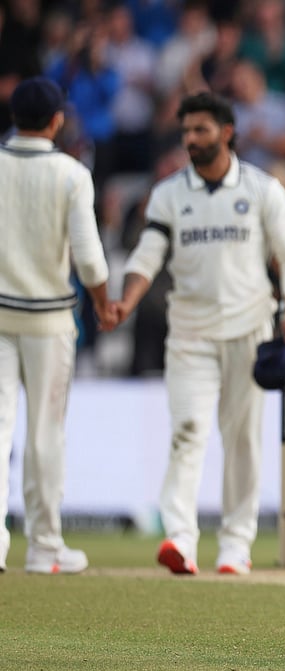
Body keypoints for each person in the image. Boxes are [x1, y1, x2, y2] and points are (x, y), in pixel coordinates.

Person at [116, 92, 285, 576]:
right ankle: (179, 538)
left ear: (226, 132)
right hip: (190, 332)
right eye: (185, 131)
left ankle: (235, 544)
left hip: (249, 329)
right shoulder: (168, 194)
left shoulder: (263, 188)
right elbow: (147, 255)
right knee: (187, 432)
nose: (190, 139)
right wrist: (125, 301)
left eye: (200, 130)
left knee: (242, 439)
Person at [0, 77, 116, 575]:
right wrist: (105, 305)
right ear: (56, 121)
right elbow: (89, 259)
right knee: (46, 434)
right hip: (48, 321)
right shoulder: (71, 173)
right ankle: (44, 545)